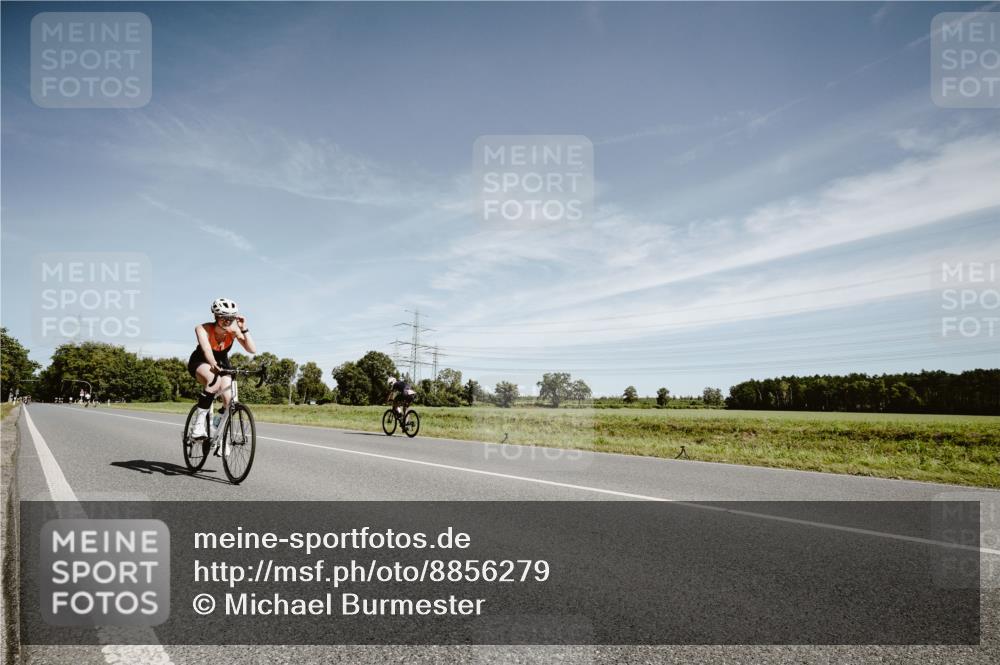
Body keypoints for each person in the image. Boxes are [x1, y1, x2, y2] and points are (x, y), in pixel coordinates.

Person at [187, 298, 256, 444]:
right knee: (214, 381)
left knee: (229, 400)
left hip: (222, 362)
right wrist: (212, 363)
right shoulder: (202, 329)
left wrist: (244, 328)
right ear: (215, 317)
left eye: (231, 318)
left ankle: (216, 427)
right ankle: (198, 427)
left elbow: (252, 349)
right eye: (224, 318)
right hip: (201, 361)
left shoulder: (234, 329)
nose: (227, 321)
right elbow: (206, 349)